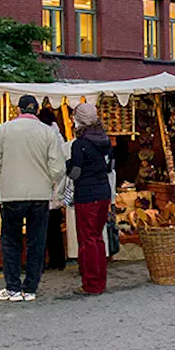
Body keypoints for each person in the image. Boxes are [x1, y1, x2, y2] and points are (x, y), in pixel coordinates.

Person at [0, 95, 65, 302]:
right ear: (37, 111)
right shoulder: (48, 132)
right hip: (39, 194)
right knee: (36, 241)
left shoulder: (3, 130)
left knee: (11, 241)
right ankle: (30, 288)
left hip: (11, 194)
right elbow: (57, 167)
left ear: (18, 110)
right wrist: (49, 182)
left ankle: (12, 287)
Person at [66, 103, 113, 295]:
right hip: (103, 193)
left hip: (86, 195)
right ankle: (99, 280)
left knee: (88, 239)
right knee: (97, 238)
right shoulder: (105, 140)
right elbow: (110, 167)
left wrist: (67, 164)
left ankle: (92, 283)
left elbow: (75, 173)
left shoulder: (80, 144)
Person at [38, 108, 66, 270]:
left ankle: (44, 261)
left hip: (45, 188)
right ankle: (58, 260)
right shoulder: (58, 135)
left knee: (42, 229)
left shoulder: (45, 136)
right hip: (56, 190)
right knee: (54, 227)